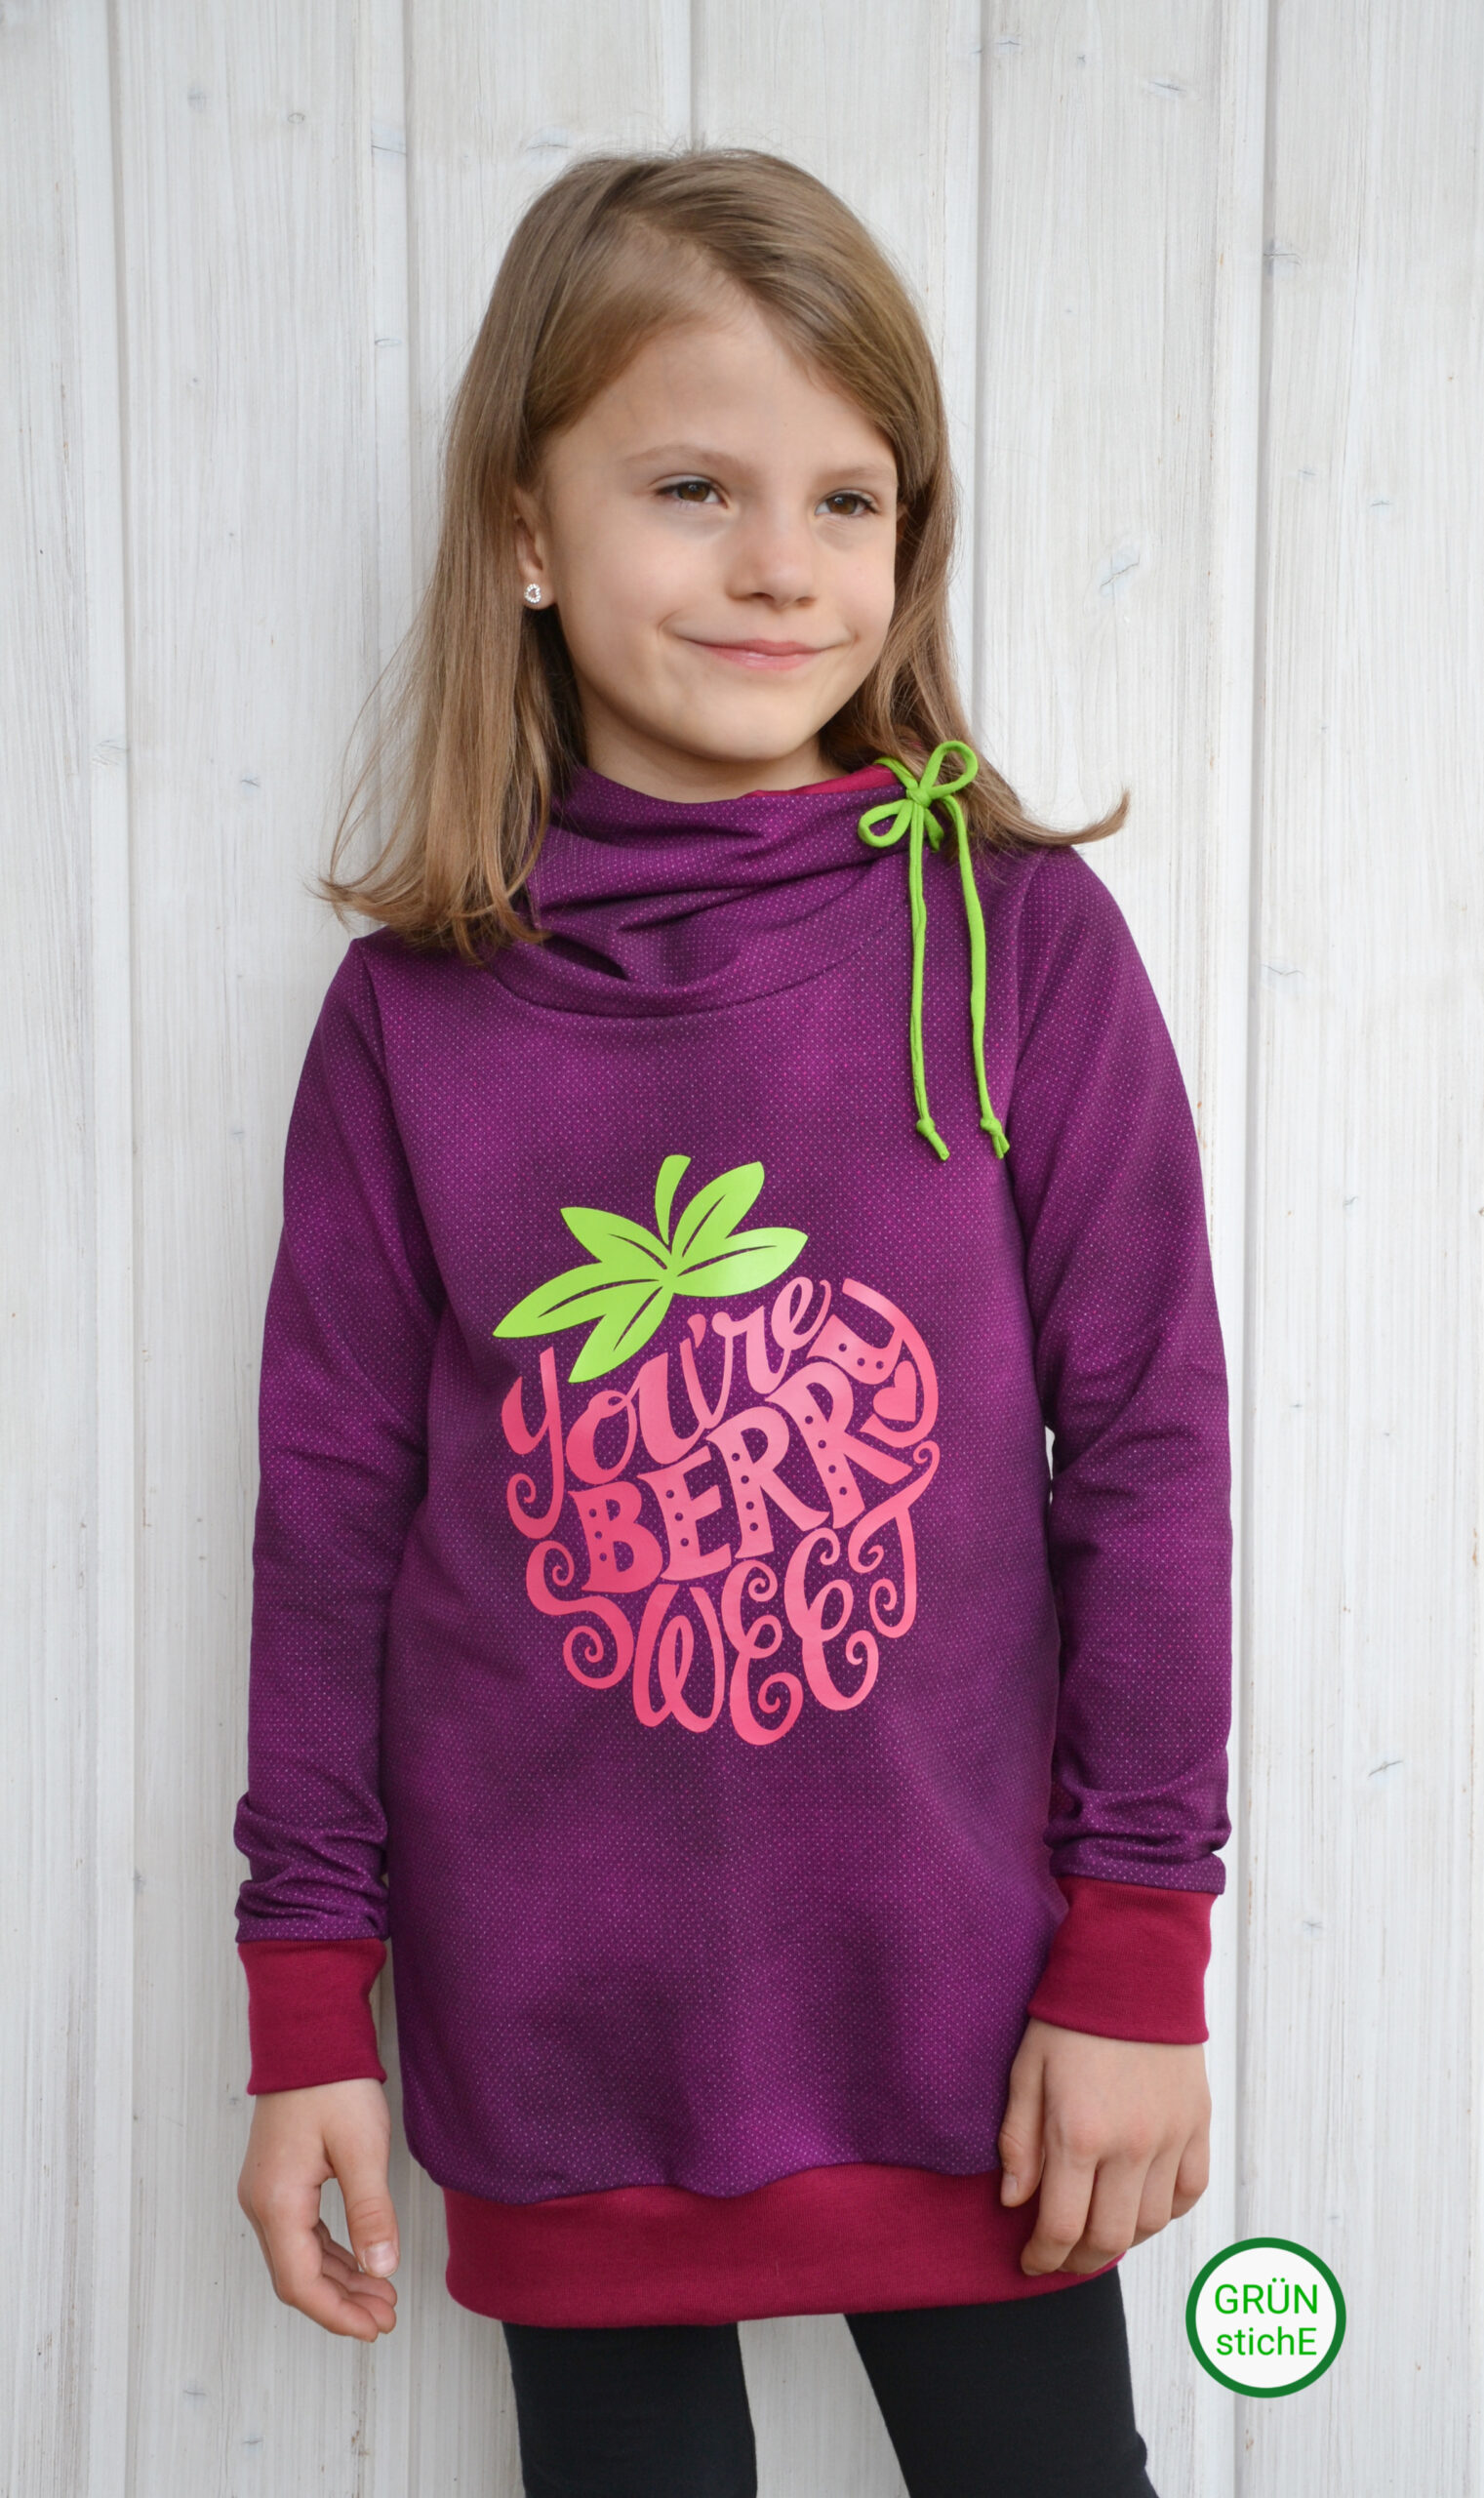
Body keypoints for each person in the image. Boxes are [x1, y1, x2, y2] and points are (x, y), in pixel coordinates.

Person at [233, 148, 1231, 2498]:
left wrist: (1136, 1951)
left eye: (846, 499)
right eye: (694, 486)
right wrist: (304, 2006)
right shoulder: (410, 1023)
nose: (783, 564)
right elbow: (329, 1524)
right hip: (560, 2038)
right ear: (527, 528)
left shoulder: (1011, 943)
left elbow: (1152, 1454)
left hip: (977, 2027)